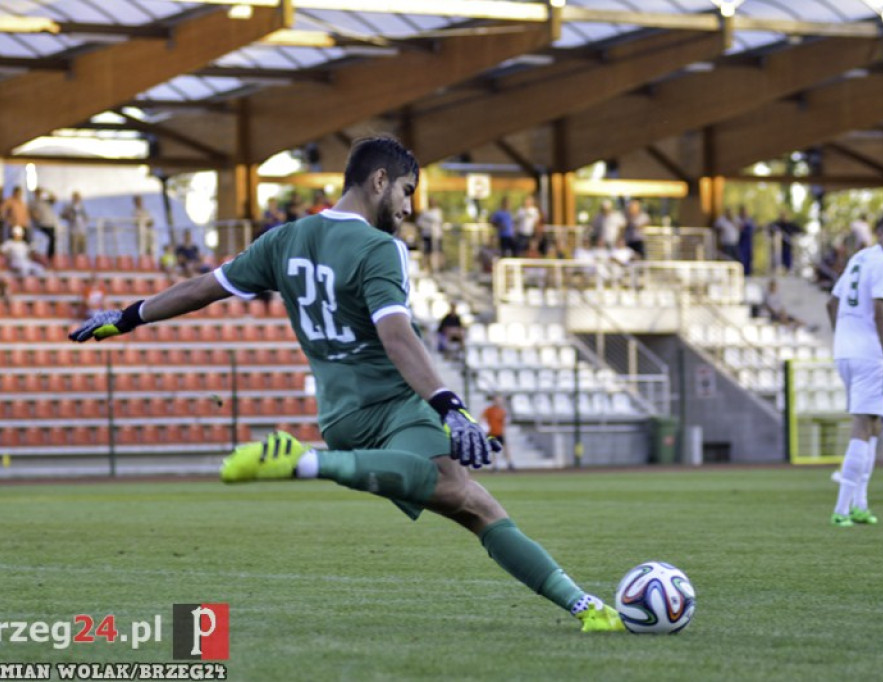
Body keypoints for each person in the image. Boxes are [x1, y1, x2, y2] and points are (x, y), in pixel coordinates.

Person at [67, 135, 623, 634]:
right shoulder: (380, 248)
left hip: (340, 416)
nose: (408, 208)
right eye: (406, 191)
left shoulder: (285, 239)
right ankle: (306, 463)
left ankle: (583, 607)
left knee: (473, 503)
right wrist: (449, 405)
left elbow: (203, 288)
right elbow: (397, 335)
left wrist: (130, 314)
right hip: (394, 404)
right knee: (454, 490)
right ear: (379, 180)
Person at [826, 208, 883, 527]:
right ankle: (841, 509)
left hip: (846, 353)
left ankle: (860, 503)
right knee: (863, 426)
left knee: (874, 425)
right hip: (869, 356)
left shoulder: (859, 259)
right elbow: (879, 313)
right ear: (879, 233)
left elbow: (831, 303)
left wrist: (843, 339)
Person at [482, 395, 514, 471]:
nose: (499, 402)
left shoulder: (502, 411)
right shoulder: (489, 410)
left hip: (500, 432)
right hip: (491, 433)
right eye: (497, 400)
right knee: (493, 450)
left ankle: (509, 463)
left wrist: (504, 431)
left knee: (505, 449)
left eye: (500, 400)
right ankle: (495, 466)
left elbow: (505, 422)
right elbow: (482, 418)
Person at [416, 199, 443, 273]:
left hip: (436, 235)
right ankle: (426, 268)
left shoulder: (437, 212)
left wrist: (428, 219)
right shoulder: (424, 212)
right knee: (426, 252)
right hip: (427, 235)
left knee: (437, 252)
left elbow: (438, 220)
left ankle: (437, 268)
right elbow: (419, 222)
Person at [61, 191, 89, 257]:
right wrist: (69, 216)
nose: (77, 199)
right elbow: (63, 215)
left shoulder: (81, 206)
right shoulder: (69, 206)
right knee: (74, 249)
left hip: (82, 230)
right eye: (76, 197)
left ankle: (82, 262)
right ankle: (74, 263)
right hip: (73, 231)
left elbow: (86, 217)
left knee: (83, 249)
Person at [737, 206, 755, 276]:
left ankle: (748, 273)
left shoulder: (750, 220)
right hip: (741, 242)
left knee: (749, 259)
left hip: (749, 243)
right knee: (742, 258)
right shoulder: (738, 220)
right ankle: (742, 273)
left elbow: (753, 229)